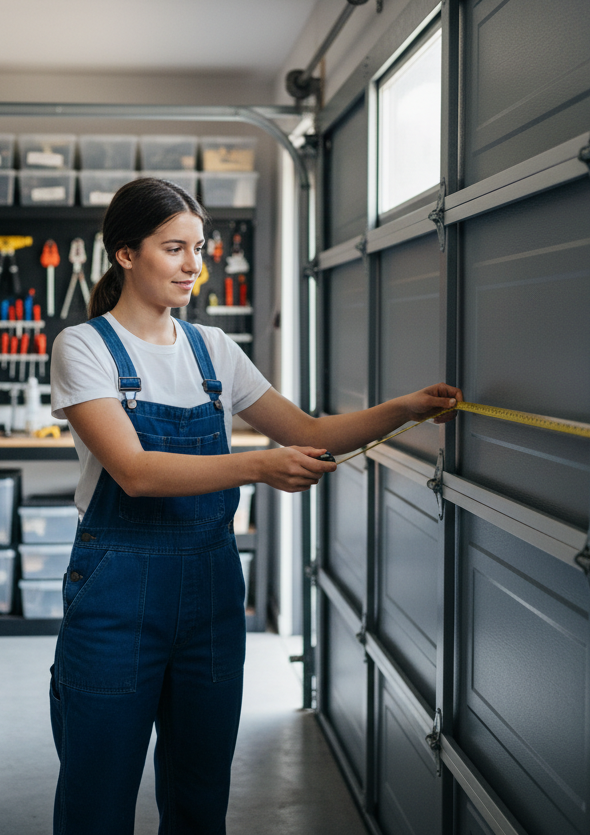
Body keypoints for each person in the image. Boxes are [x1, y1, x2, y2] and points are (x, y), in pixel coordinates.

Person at [48, 177, 462, 834]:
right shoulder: (84, 347)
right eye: (175, 248)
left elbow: (312, 432)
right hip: (117, 595)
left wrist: (404, 408)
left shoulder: (213, 349)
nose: (194, 265)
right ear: (125, 255)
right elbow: (134, 473)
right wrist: (258, 466)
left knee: (199, 791)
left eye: (201, 248)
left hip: (211, 593)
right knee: (97, 795)